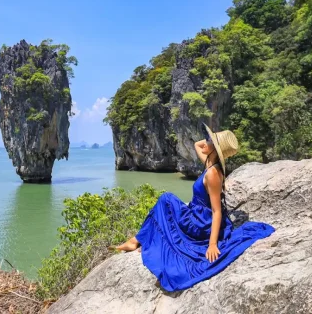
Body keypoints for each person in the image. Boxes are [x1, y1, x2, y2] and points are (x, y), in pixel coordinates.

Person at [112, 123, 275, 292]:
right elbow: (197, 144)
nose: (204, 141)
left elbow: (217, 210)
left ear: (215, 150)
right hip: (195, 213)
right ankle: (136, 240)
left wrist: (212, 244)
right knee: (166, 202)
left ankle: (136, 241)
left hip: (201, 223)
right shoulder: (209, 164)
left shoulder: (212, 174)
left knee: (166, 199)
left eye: (209, 140)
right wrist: (211, 142)